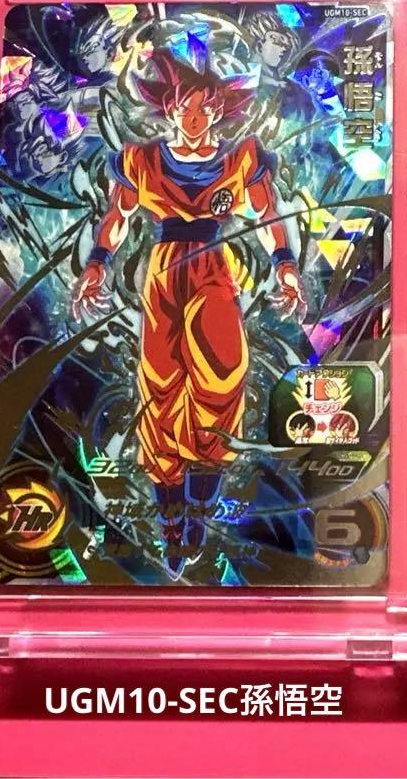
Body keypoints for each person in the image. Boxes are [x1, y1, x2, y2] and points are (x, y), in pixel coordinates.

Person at [71, 50, 306, 578]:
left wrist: (287, 265)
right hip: (164, 275)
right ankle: (170, 516)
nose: (194, 117)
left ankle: (199, 507)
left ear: (219, 110)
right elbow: (118, 216)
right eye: (185, 107)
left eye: (204, 108)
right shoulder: (141, 160)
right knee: (160, 387)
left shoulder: (241, 158)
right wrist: (97, 264)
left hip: (214, 271)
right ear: (171, 110)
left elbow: (267, 214)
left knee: (221, 380)